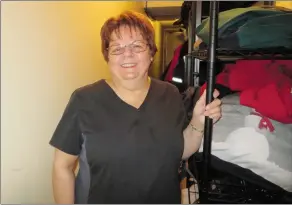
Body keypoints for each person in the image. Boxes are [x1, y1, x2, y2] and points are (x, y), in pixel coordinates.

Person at [49, 11, 222, 204]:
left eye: (137, 46)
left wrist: (198, 121)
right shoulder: (84, 100)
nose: (127, 55)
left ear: (151, 52)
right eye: (117, 48)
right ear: (107, 56)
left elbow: (179, 151)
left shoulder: (170, 94)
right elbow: (62, 167)